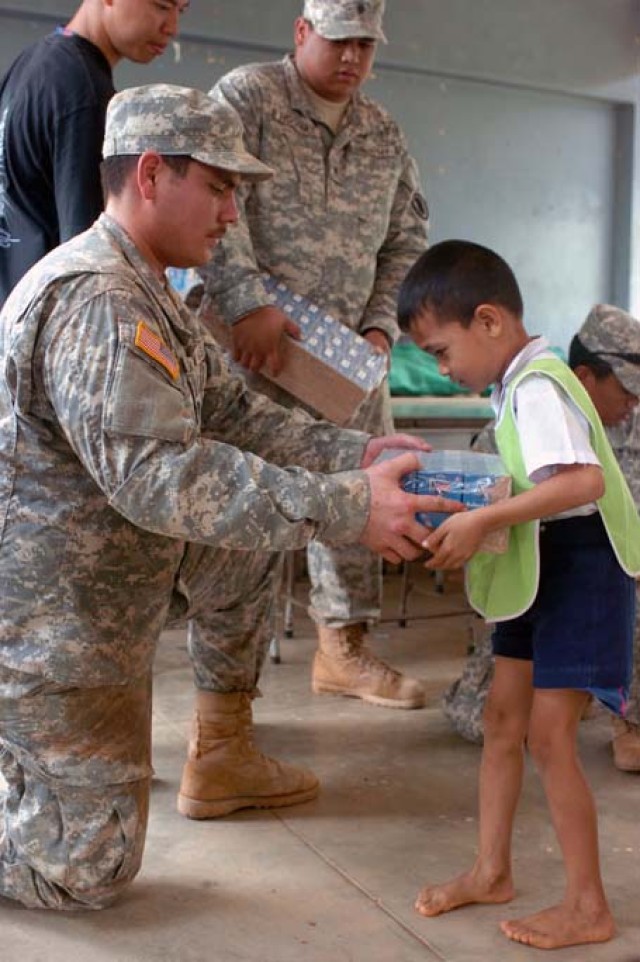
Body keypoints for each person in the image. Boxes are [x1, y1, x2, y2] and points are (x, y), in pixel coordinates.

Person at [0, 83, 463, 910]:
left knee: (254, 541)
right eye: (217, 188)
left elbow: (242, 420)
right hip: (56, 616)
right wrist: (353, 506)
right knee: (86, 873)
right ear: (150, 175)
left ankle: (223, 752)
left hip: (119, 571)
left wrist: (365, 452)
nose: (230, 213)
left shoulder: (156, 295)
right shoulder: (100, 300)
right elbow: (164, 480)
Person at [397, 240, 640, 949]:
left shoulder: (537, 385)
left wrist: (480, 519)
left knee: (548, 736)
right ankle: (491, 870)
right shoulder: (514, 385)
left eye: (443, 351)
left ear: (490, 321)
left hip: (582, 567)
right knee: (503, 722)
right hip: (539, 564)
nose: (443, 370)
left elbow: (582, 484)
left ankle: (588, 906)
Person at [198, 0, 430, 714]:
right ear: (302, 33)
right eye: (339, 41)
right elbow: (209, 196)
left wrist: (381, 326)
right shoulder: (247, 98)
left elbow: (405, 240)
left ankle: (343, 648)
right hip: (256, 348)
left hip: (349, 356)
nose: (353, 58)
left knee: (366, 485)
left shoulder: (381, 131)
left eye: (366, 44)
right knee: (242, 503)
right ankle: (224, 697)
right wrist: (244, 302)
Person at [442, 304, 640, 773]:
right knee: (493, 720)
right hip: (538, 588)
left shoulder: (629, 420)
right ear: (586, 377)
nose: (633, 403)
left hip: (605, 584)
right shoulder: (520, 413)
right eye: (627, 390)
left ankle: (625, 716)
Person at [0, 0, 189, 304]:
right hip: (51, 323)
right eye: (161, 5)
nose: (172, 27)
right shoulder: (84, 92)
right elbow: (89, 258)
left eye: (181, 11)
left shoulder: (32, 62)